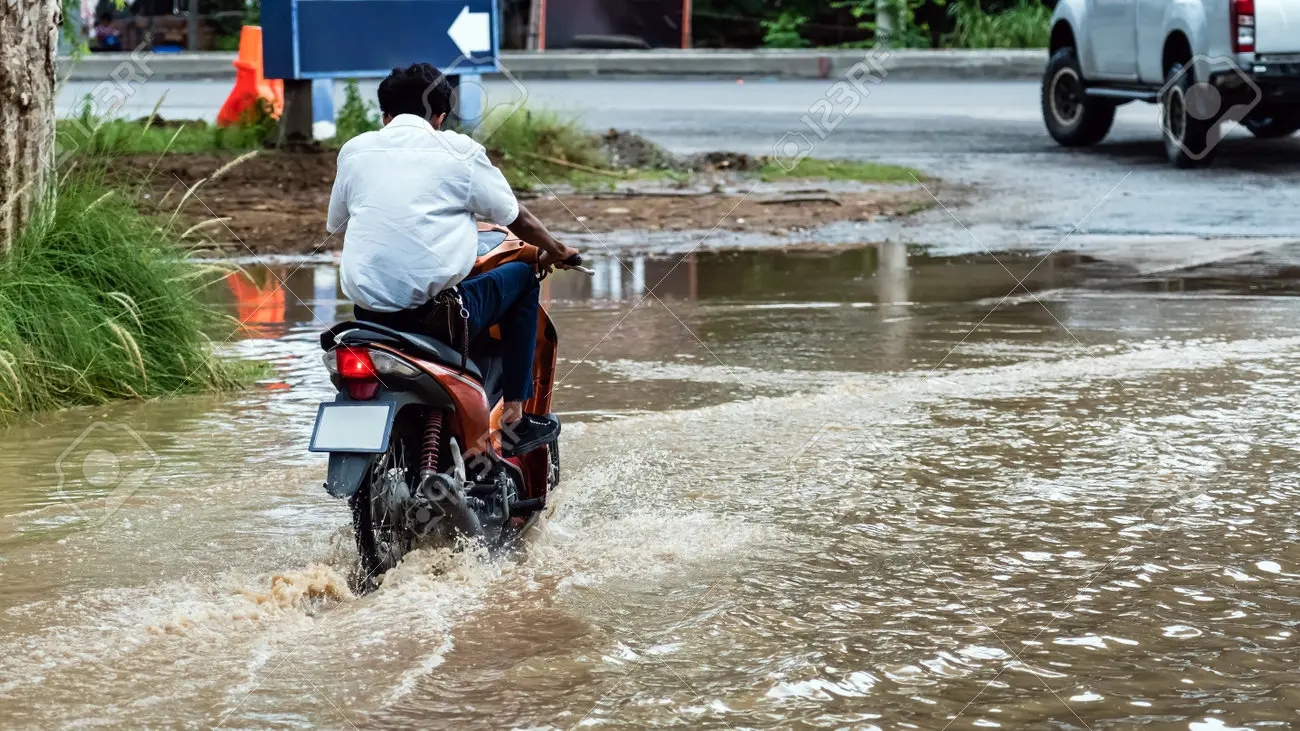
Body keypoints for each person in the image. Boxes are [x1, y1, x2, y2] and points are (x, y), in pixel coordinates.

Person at [326, 63, 580, 445]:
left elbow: (337, 222)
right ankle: (515, 412)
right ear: (440, 117)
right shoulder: (460, 151)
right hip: (434, 320)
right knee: (523, 280)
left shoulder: (355, 150)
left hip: (368, 319)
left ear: (385, 115)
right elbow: (516, 217)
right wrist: (556, 250)